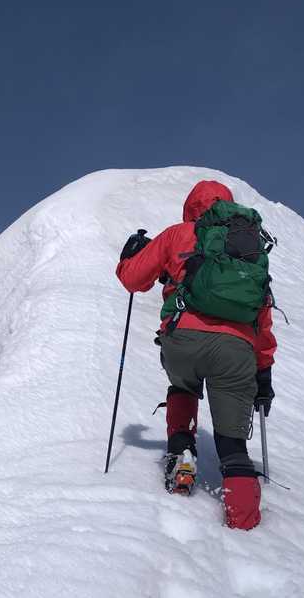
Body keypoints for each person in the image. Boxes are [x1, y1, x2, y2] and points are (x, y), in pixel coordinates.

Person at [115, 179, 275, 530]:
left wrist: (129, 256)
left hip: (182, 339)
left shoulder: (179, 234)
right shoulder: (250, 245)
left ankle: (182, 455)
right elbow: (262, 315)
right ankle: (246, 527)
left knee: (183, 387)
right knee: (233, 444)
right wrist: (263, 373)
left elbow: (133, 280)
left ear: (191, 207)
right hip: (237, 349)